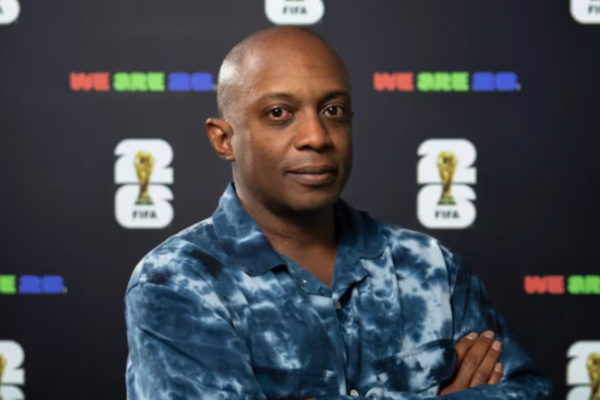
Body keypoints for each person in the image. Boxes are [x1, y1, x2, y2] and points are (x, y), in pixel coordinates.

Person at [125, 27, 551, 400]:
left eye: (333, 111)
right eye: (279, 113)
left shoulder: (431, 266)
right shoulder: (177, 283)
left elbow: (528, 391)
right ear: (224, 139)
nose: (316, 136)